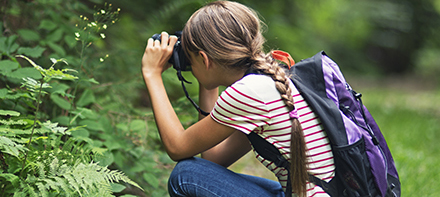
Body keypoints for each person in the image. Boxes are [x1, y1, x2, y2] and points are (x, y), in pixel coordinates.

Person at [140, 1, 335, 197]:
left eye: (191, 60)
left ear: (204, 59)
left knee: (185, 175)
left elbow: (177, 147)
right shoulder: (273, 80)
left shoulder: (247, 93)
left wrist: (152, 74)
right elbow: (214, 159)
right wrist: (208, 81)